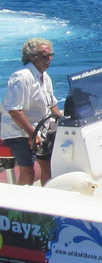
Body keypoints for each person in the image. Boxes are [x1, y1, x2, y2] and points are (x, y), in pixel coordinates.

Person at [1, 38, 61, 186]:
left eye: (51, 55)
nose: (49, 59)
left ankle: (47, 202)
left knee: (48, 167)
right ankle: (20, 208)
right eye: (45, 56)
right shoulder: (22, 77)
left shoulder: (44, 77)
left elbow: (51, 104)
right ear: (32, 56)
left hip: (39, 129)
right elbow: (15, 111)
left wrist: (64, 121)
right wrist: (32, 134)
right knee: (28, 171)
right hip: (19, 132)